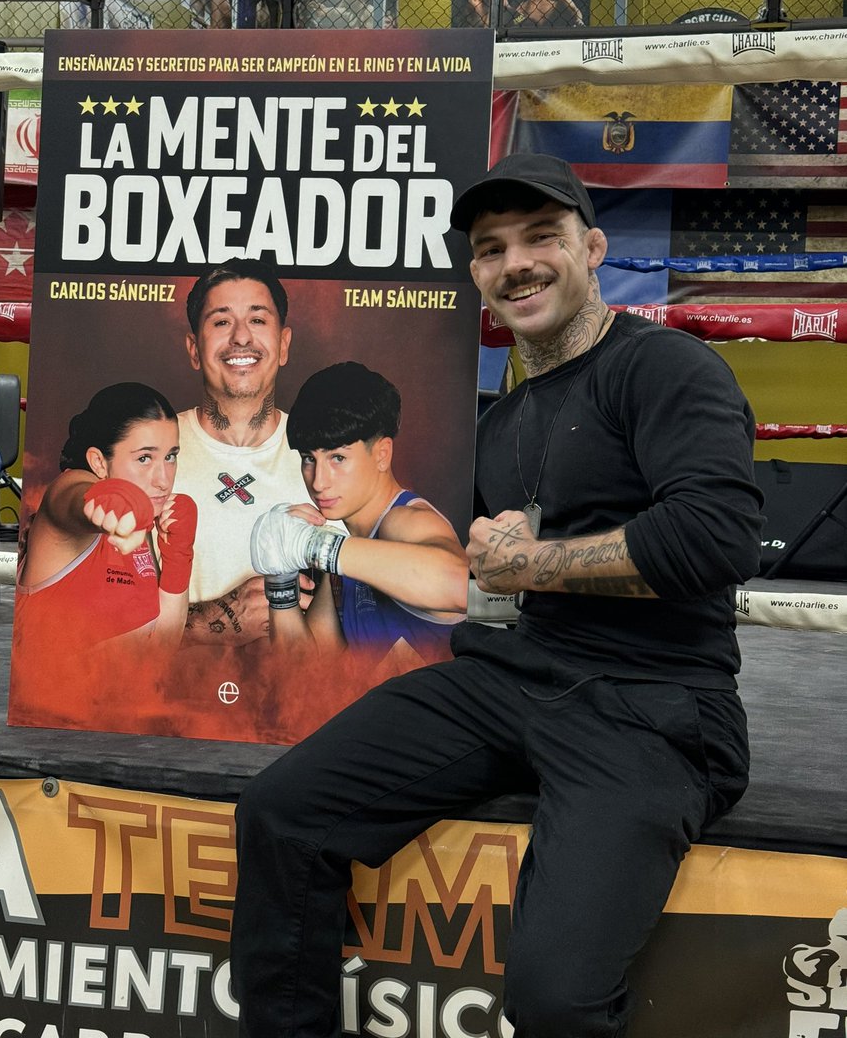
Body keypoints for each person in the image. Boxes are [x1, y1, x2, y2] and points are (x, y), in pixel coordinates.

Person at [230, 153, 763, 1038]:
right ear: (477, 275)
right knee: (283, 813)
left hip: (652, 701)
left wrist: (532, 566)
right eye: (491, 249)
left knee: (555, 997)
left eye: (542, 237)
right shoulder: (506, 417)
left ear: (593, 248)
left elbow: (716, 538)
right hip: (512, 680)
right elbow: (465, 570)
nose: (516, 262)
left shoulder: (666, 368)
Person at [248, 361, 468, 673]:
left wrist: (312, 545)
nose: (318, 481)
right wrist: (279, 578)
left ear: (382, 454)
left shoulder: (405, 520)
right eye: (310, 459)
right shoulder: (346, 560)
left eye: (338, 457)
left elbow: (460, 585)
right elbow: (305, 677)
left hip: (443, 721)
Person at [9, 382, 197, 728]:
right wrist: (111, 499)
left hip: (119, 730)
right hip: (52, 736)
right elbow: (76, 499)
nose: (163, 479)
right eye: (145, 458)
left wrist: (178, 559)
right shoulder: (67, 495)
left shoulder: (137, 528)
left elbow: (159, 650)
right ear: (98, 461)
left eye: (171, 456)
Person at [172, 259, 312, 650]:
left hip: (297, 702)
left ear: (283, 344)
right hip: (172, 696)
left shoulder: (327, 456)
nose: (240, 338)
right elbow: (99, 613)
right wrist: (215, 618)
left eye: (257, 320)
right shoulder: (148, 453)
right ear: (194, 348)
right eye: (220, 322)